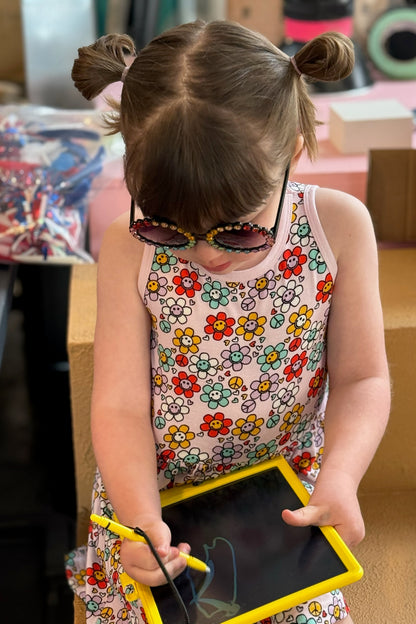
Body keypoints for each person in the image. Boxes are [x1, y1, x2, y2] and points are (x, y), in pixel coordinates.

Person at [67, 19, 390, 624]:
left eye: (239, 229)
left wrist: (341, 478)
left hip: (284, 494)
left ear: (294, 150)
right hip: (153, 499)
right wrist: (141, 521)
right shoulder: (127, 246)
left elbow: (361, 379)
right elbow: (120, 405)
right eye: (167, 227)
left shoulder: (339, 227)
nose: (205, 252)